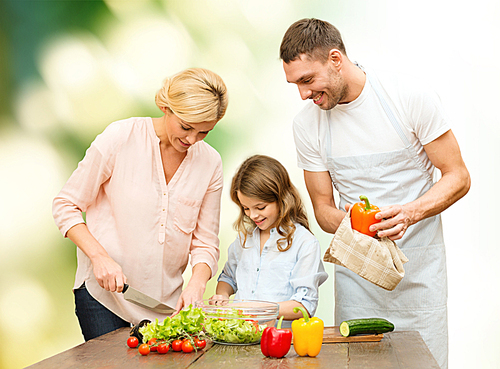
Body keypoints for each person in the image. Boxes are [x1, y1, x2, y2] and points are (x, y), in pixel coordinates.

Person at [279, 18, 470, 368]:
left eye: (308, 80)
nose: (304, 94)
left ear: (335, 59)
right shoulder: (307, 125)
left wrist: (410, 213)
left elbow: (457, 176)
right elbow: (323, 209)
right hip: (358, 283)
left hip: (419, 276)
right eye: (296, 84)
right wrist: (359, 222)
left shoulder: (408, 96)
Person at [52, 68, 229, 341]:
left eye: (204, 132)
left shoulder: (210, 163)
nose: (191, 140)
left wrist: (196, 284)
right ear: (165, 106)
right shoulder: (120, 137)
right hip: (104, 298)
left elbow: (205, 243)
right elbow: (66, 205)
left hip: (165, 308)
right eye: (186, 127)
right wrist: (99, 257)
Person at [211, 155, 328, 327]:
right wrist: (222, 295)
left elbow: (304, 305)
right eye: (246, 208)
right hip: (241, 337)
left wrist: (256, 309)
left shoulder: (305, 243)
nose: (252, 215)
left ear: (282, 199)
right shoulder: (244, 239)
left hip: (282, 342)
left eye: (260, 207)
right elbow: (228, 278)